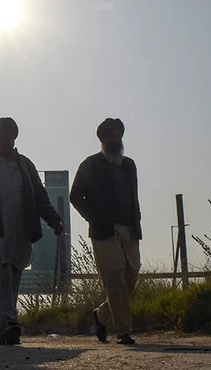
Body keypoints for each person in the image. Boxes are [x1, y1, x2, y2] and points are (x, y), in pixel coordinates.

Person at [0, 117, 64, 346]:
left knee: (14, 276)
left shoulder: (25, 164)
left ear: (14, 138)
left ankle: (3, 331)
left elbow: (40, 196)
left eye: (10, 135)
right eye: (2, 135)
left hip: (21, 228)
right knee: (2, 276)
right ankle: (12, 322)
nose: (6, 140)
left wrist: (53, 219)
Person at [69, 118, 141, 345]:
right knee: (116, 281)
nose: (115, 139)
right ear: (102, 139)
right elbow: (75, 196)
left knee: (131, 278)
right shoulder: (90, 164)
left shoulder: (129, 165)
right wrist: (94, 218)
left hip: (130, 229)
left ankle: (102, 315)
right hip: (105, 232)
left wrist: (136, 220)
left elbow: (133, 195)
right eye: (110, 135)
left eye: (118, 134)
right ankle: (123, 331)